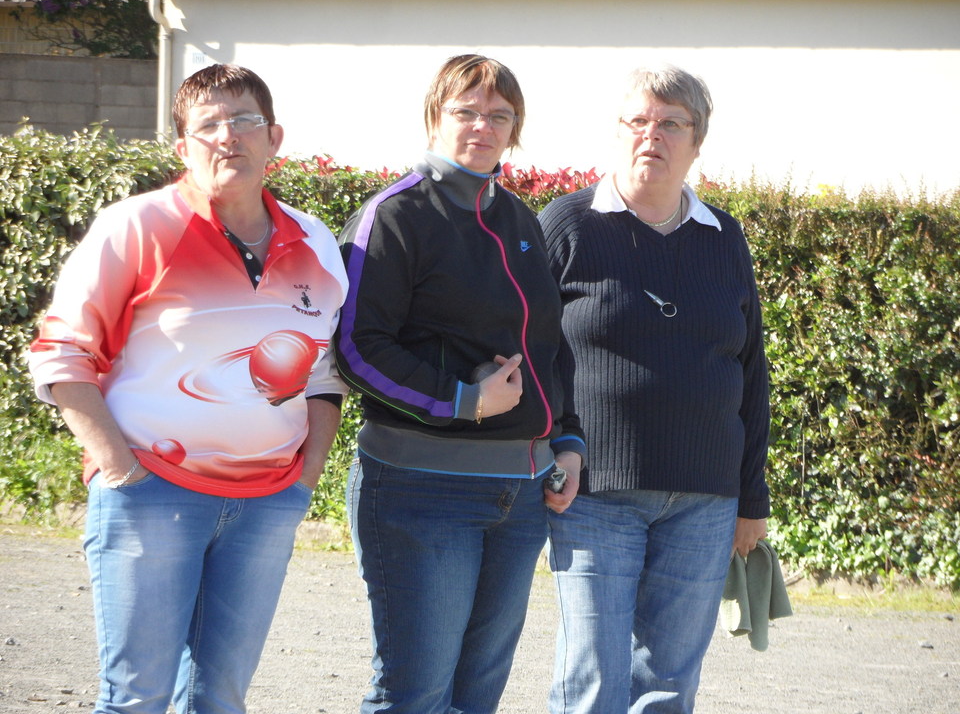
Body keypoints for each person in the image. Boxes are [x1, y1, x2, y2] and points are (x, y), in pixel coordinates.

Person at [28, 64, 348, 714]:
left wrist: (305, 479)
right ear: (183, 148)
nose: (226, 136)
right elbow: (61, 357)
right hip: (151, 497)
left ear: (274, 136)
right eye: (207, 125)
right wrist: (121, 471)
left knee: (219, 699)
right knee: (137, 699)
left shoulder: (315, 238)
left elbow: (324, 371)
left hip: (266, 505)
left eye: (244, 120)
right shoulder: (137, 225)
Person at [334, 53, 587, 714]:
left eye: (499, 114)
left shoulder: (521, 220)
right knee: (415, 695)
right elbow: (358, 346)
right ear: (434, 117)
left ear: (515, 127)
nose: (483, 125)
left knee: (477, 696)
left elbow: (549, 346)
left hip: (522, 493)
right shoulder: (394, 215)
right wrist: (462, 400)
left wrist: (566, 439)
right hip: (421, 489)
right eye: (465, 111)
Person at [539, 64, 771, 714]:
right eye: (638, 121)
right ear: (617, 133)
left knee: (670, 686)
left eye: (672, 123)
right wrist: (559, 442)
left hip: (705, 502)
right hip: (596, 496)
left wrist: (751, 497)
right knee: (592, 681)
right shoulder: (568, 226)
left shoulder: (725, 238)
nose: (653, 136)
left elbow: (751, 370)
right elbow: (535, 352)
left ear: (697, 142)